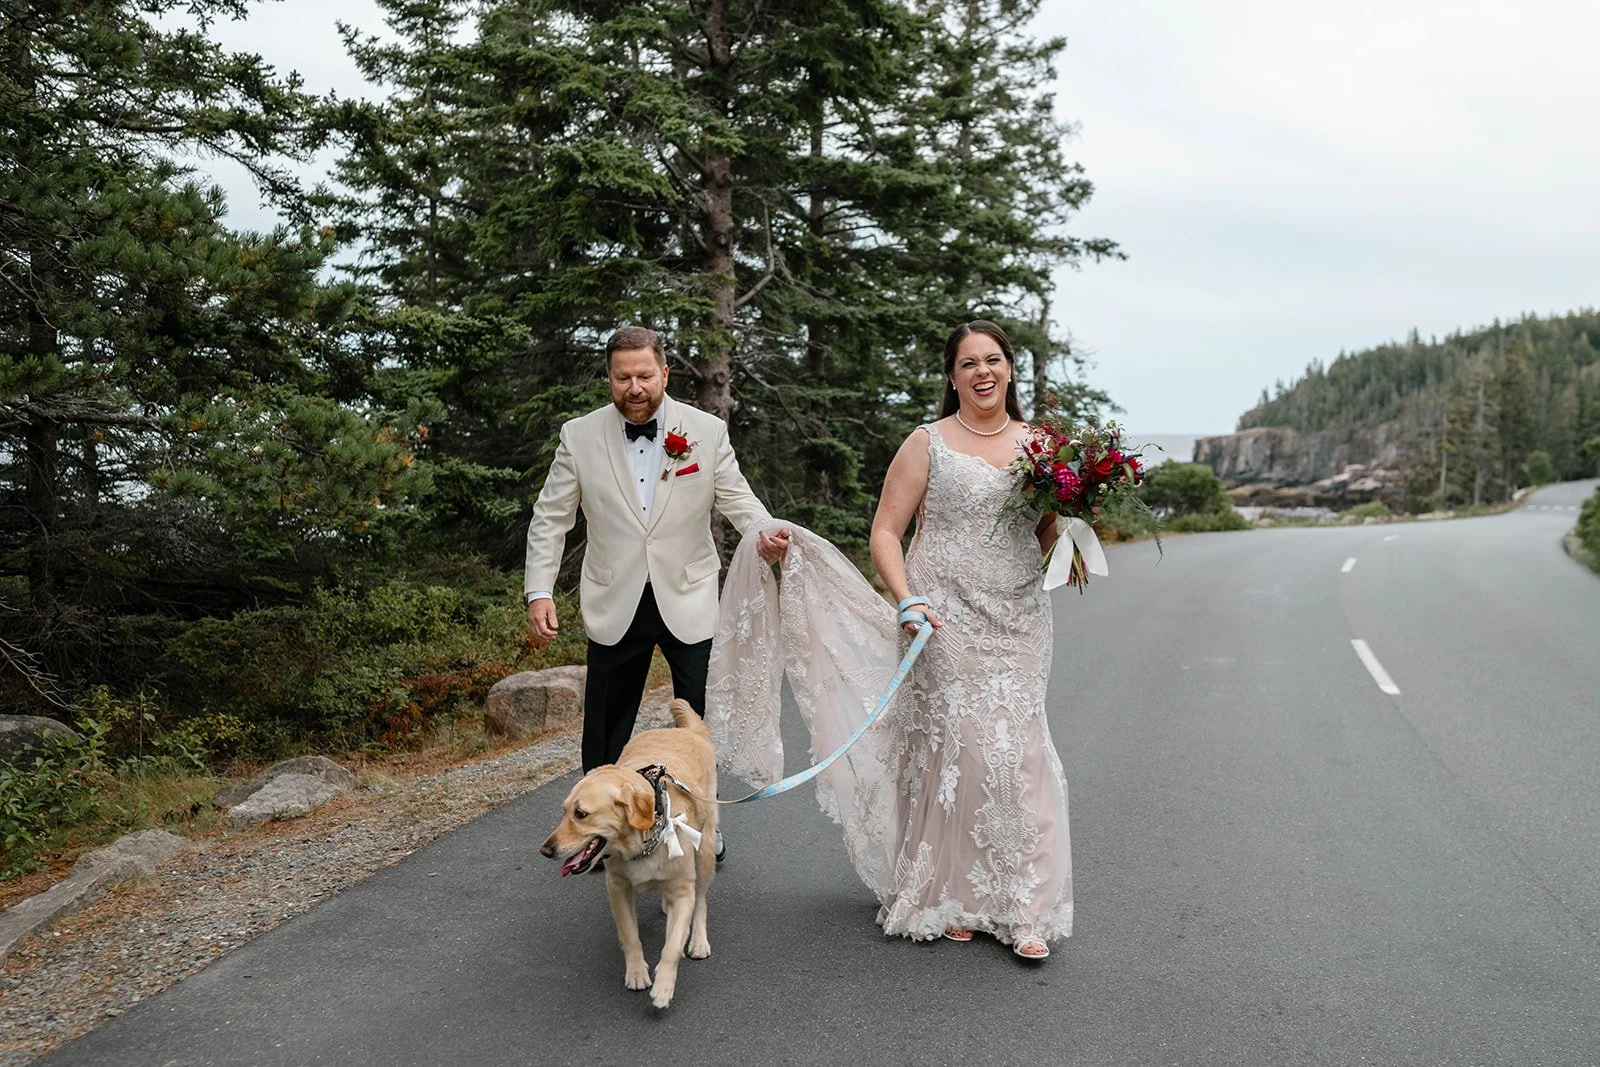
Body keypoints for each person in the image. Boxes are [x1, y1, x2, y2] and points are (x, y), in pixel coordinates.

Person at [707, 320, 1071, 959]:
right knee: (959, 749)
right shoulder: (926, 443)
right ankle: (951, 894)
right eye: (968, 364)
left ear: (1010, 369)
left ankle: (1024, 907)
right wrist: (907, 599)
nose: (982, 372)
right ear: (952, 376)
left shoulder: (1040, 446)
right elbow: (884, 532)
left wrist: (1038, 563)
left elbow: (1044, 529)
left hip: (1017, 620)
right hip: (942, 615)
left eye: (993, 360)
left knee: (1021, 750)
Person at [524, 325, 790, 862]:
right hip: (613, 600)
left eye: (645, 375)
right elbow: (551, 518)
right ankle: (602, 834)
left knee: (695, 727)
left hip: (688, 598)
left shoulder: (706, 431)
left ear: (664, 373)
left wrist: (765, 533)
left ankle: (702, 826)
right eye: (623, 377)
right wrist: (538, 591)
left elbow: (738, 498)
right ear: (609, 378)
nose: (635, 386)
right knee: (605, 728)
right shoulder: (579, 435)